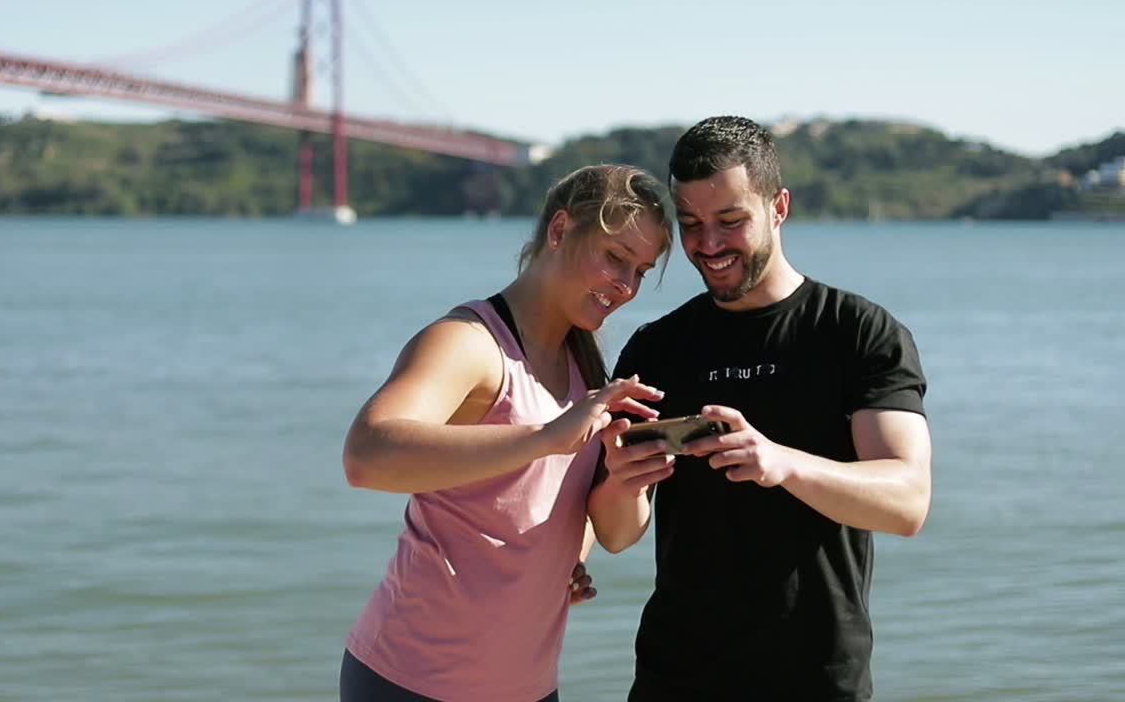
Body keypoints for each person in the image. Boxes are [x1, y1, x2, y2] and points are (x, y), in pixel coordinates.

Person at [587, 116, 933, 700]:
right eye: (691, 224)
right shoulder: (657, 347)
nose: (709, 245)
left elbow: (907, 502)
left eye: (730, 221)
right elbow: (618, 536)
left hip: (815, 679)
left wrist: (780, 463)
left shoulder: (857, 332)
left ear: (778, 207)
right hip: (675, 678)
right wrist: (621, 482)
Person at [340, 164, 674, 702]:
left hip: (528, 687)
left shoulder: (587, 366)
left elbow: (614, 533)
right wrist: (546, 436)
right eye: (616, 256)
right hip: (411, 679)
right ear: (560, 229)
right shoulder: (469, 343)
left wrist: (611, 498)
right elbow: (365, 455)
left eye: (641, 270)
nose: (627, 285)